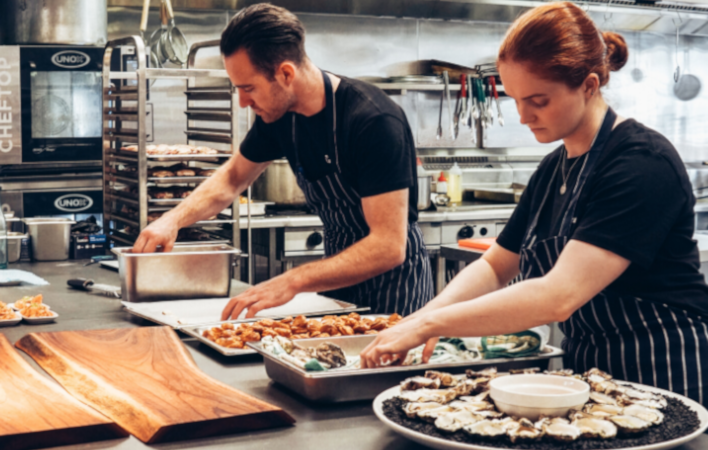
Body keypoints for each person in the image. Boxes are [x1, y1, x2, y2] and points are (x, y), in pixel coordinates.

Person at [360, 1, 708, 406]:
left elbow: (558, 296)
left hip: (663, 372)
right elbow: (495, 266)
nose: (524, 116)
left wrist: (434, 323)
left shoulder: (640, 163)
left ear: (590, 86)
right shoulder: (552, 170)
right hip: (592, 375)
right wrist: (420, 319)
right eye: (516, 99)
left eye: (538, 101)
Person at [132, 4, 434, 319]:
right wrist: (172, 220)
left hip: (396, 291)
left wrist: (292, 280)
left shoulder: (373, 120)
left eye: (248, 88)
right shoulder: (280, 117)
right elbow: (233, 178)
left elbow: (388, 246)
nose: (243, 102)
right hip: (337, 280)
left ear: (286, 73)